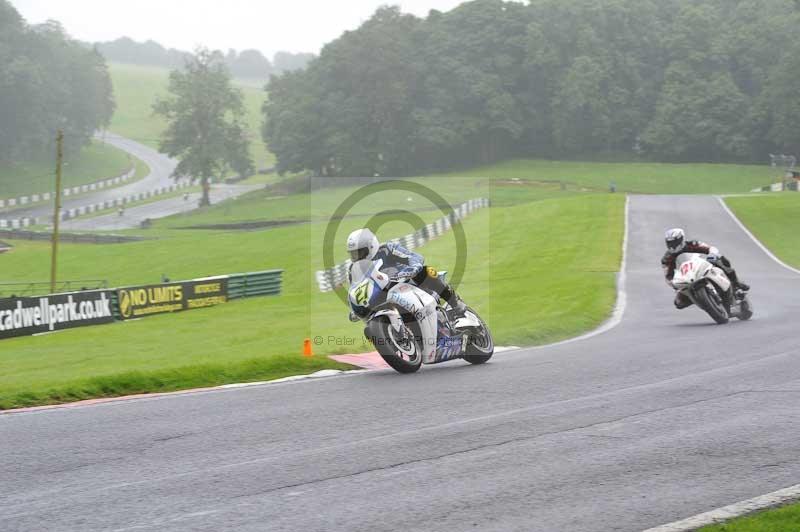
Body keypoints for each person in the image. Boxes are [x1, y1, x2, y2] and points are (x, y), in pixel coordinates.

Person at [346, 228, 467, 321]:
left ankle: (455, 303)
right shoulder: (354, 270)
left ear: (371, 246)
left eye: (360, 252)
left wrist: (413, 268)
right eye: (354, 254)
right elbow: (355, 290)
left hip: (405, 282)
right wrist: (356, 308)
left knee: (427, 271)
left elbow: (413, 256)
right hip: (383, 297)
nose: (357, 257)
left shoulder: (387, 249)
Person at [661, 228, 749, 309]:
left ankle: (736, 283)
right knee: (678, 303)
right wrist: (674, 284)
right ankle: (702, 300)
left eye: (675, 242)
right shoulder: (666, 259)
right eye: (670, 243)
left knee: (720, 259)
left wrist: (712, 254)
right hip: (686, 279)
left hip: (702, 268)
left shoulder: (692, 244)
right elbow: (668, 276)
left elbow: (710, 248)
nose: (673, 245)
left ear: (681, 239)